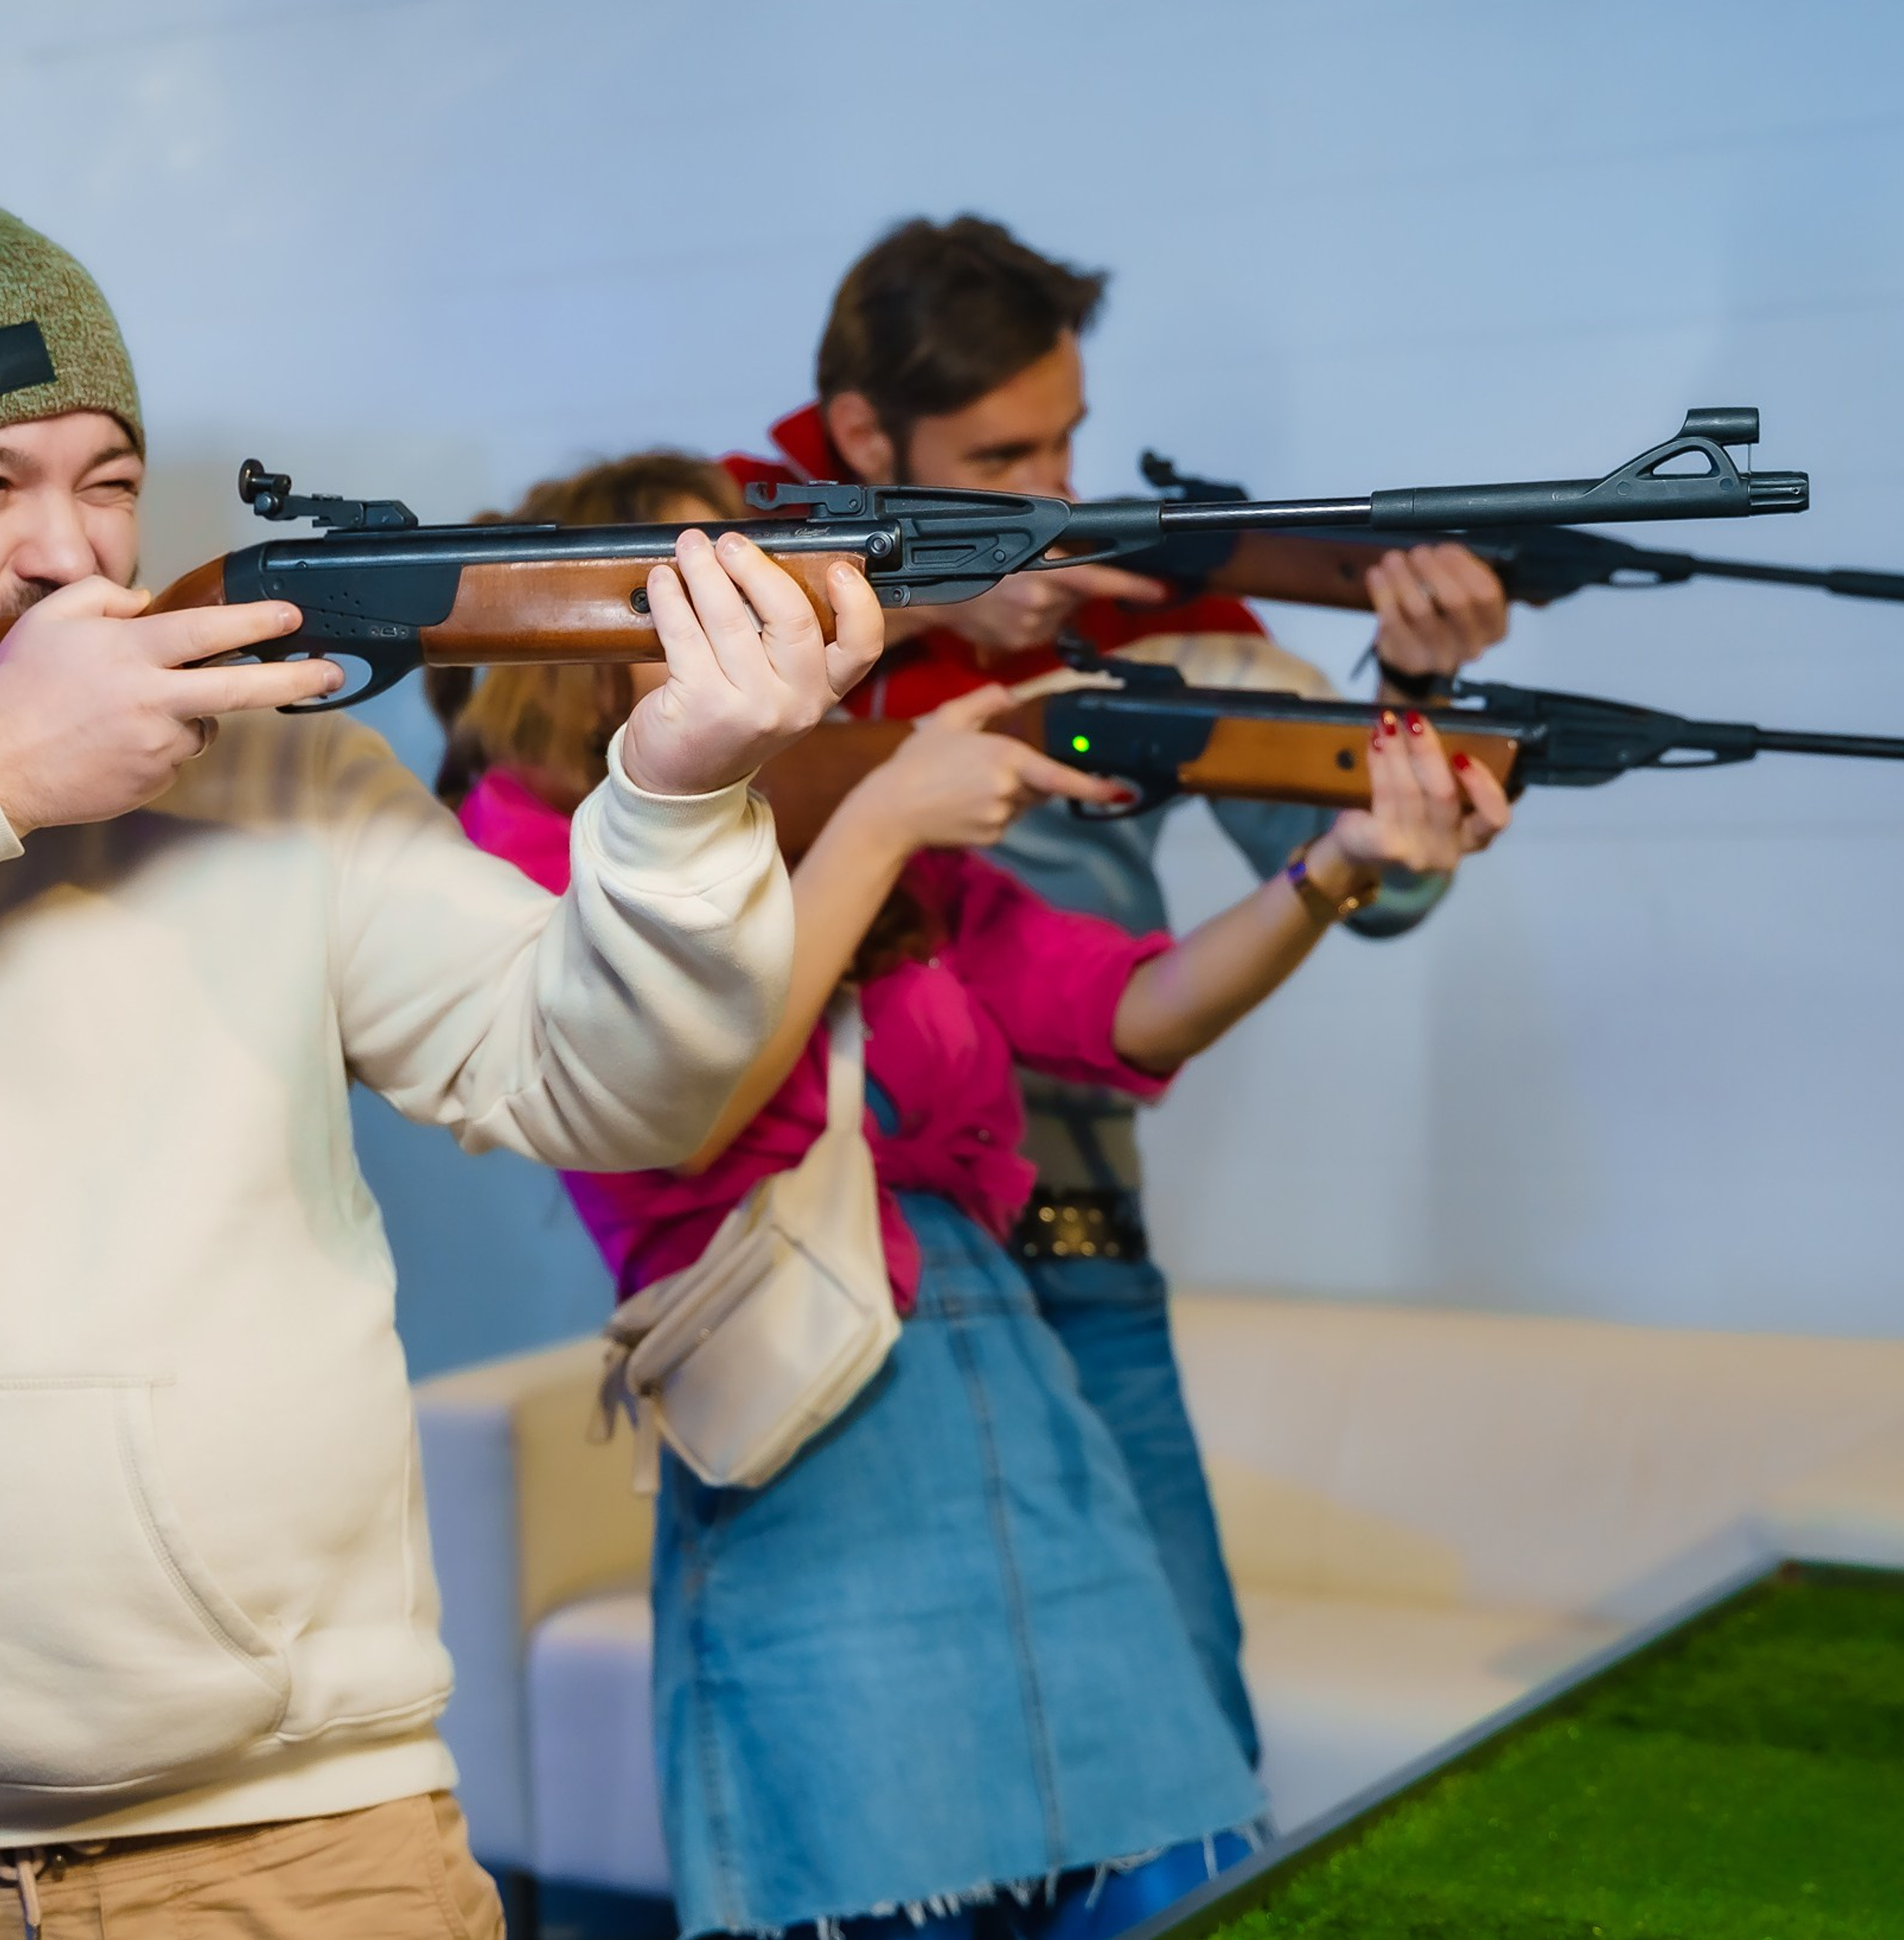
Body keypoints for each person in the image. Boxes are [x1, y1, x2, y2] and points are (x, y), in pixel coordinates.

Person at [0, 197, 881, 1939]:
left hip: (300, 1841)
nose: (70, 552)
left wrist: (677, 793)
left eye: (108, 478)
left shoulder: (277, 778)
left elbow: (615, 1092)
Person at [446, 450, 1512, 1940]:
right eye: (709, 598)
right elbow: (677, 1114)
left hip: (1029, 1431)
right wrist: (885, 818)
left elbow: (1136, 1012)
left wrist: (1336, 869)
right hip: (811, 1476)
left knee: (1175, 1874)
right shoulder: (519, 845)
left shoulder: (844, 812)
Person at [722, 215, 1513, 1771]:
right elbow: (596, 798)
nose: (1052, 490)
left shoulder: (1138, 601)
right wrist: (919, 613)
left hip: (1073, 1239)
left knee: (1189, 1744)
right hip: (810, 1268)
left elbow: (1382, 881)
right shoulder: (730, 570)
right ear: (866, 438)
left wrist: (1413, 690)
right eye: (1000, 455)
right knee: (894, 1779)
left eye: (1065, 439)